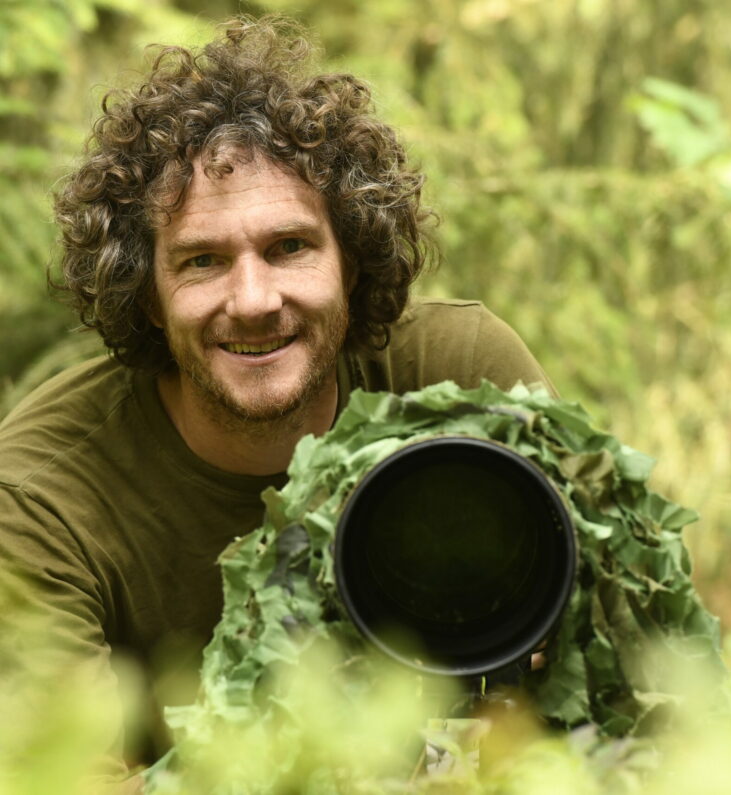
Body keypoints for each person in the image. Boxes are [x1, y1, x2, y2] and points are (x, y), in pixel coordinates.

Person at [0, 14, 555, 787]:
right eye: (201, 260)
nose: (253, 300)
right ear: (149, 298)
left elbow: (606, 672)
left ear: (351, 262)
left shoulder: (460, 381)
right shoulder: (41, 497)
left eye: (289, 246)